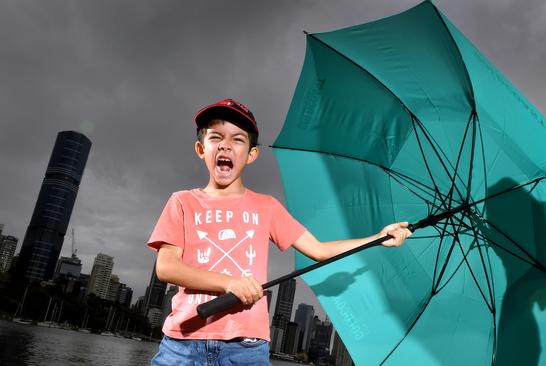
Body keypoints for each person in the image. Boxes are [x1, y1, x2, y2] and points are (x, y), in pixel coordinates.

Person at [147, 98, 412, 365]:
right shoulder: (182, 201)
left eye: (238, 139)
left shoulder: (267, 207)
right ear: (201, 148)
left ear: (252, 154)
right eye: (216, 137)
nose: (225, 144)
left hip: (245, 349)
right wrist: (229, 282)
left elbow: (319, 250)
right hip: (182, 343)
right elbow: (167, 267)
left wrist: (378, 238)